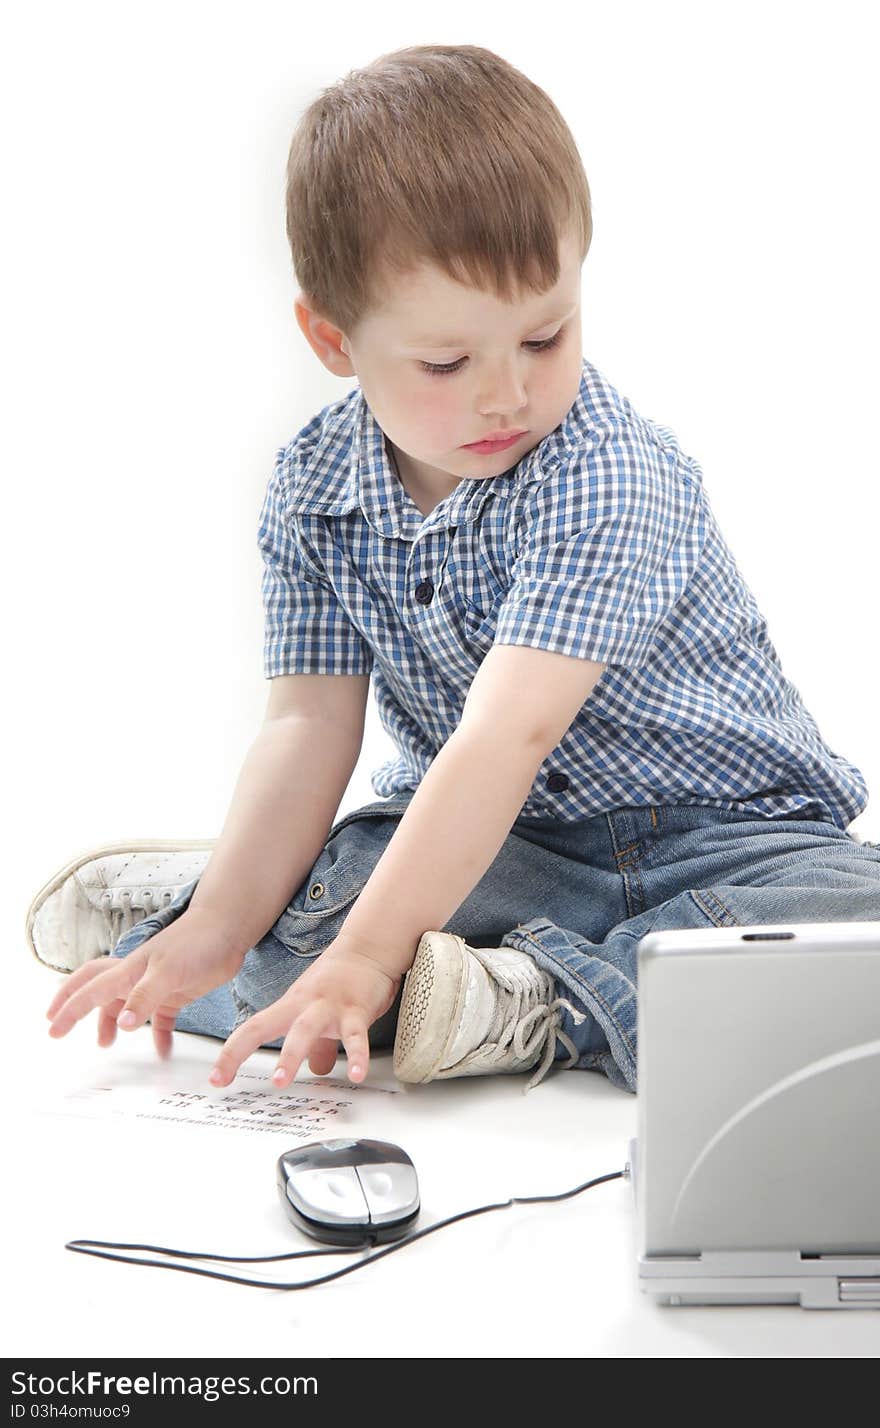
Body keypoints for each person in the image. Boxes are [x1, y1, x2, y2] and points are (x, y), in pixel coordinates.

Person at [32, 43, 880, 1097]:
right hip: (495, 844)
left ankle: (523, 1002)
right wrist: (232, 930)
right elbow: (306, 729)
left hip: (722, 843)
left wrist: (368, 958)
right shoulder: (313, 488)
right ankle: (202, 921)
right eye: (447, 362)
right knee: (327, 944)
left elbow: (504, 735)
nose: (507, 396)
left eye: (544, 336)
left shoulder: (607, 474)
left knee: (848, 954)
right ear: (331, 339)